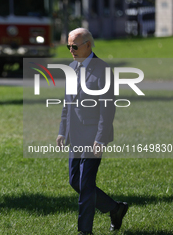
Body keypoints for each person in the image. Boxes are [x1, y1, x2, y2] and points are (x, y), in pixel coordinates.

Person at [56, 28, 128, 235]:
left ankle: (84, 231)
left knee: (86, 184)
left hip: (92, 137)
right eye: (68, 46)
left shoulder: (103, 70)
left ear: (88, 45)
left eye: (75, 46)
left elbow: (108, 109)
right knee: (75, 181)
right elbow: (66, 104)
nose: (71, 50)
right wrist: (62, 131)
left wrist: (100, 138)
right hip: (75, 135)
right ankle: (116, 209)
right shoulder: (71, 67)